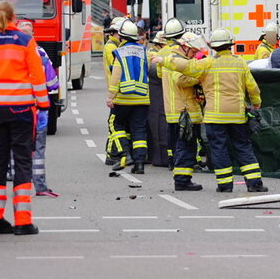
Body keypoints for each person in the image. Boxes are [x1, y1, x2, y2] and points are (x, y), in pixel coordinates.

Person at [157, 28, 267, 193]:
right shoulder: (241, 62)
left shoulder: (207, 63)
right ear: (230, 44)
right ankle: (254, 183)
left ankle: (224, 185)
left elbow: (186, 66)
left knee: (218, 149)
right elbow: (252, 87)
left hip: (214, 116)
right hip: (237, 115)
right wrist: (256, 103)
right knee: (243, 146)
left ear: (214, 47)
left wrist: (163, 60)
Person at [0, 1, 49, 236]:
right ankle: (22, 221)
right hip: (21, 110)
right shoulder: (25, 41)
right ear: (14, 16)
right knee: (22, 163)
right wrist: (44, 105)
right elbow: (37, 75)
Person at [156, 32, 206, 190]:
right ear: (184, 47)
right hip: (184, 111)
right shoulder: (177, 61)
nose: (193, 55)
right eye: (192, 51)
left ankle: (182, 179)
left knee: (183, 146)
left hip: (175, 110)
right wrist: (200, 78)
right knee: (186, 148)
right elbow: (181, 80)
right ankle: (182, 181)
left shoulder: (171, 58)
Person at [18, 21, 60, 196]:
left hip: (16, 109)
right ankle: (40, 186)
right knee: (38, 148)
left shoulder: (11, 55)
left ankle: (18, 182)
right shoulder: (41, 54)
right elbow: (52, 83)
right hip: (38, 110)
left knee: (17, 147)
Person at [106, 20, 151, 175]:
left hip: (123, 98)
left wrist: (111, 96)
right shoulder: (145, 51)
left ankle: (125, 154)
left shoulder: (120, 52)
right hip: (143, 98)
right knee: (139, 131)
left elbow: (116, 77)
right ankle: (139, 164)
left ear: (122, 37)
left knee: (115, 125)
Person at [103, 17, 127, 166]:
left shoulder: (113, 44)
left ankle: (114, 153)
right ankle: (112, 154)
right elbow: (117, 69)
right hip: (117, 90)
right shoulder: (112, 47)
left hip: (116, 89)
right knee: (115, 124)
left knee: (117, 123)